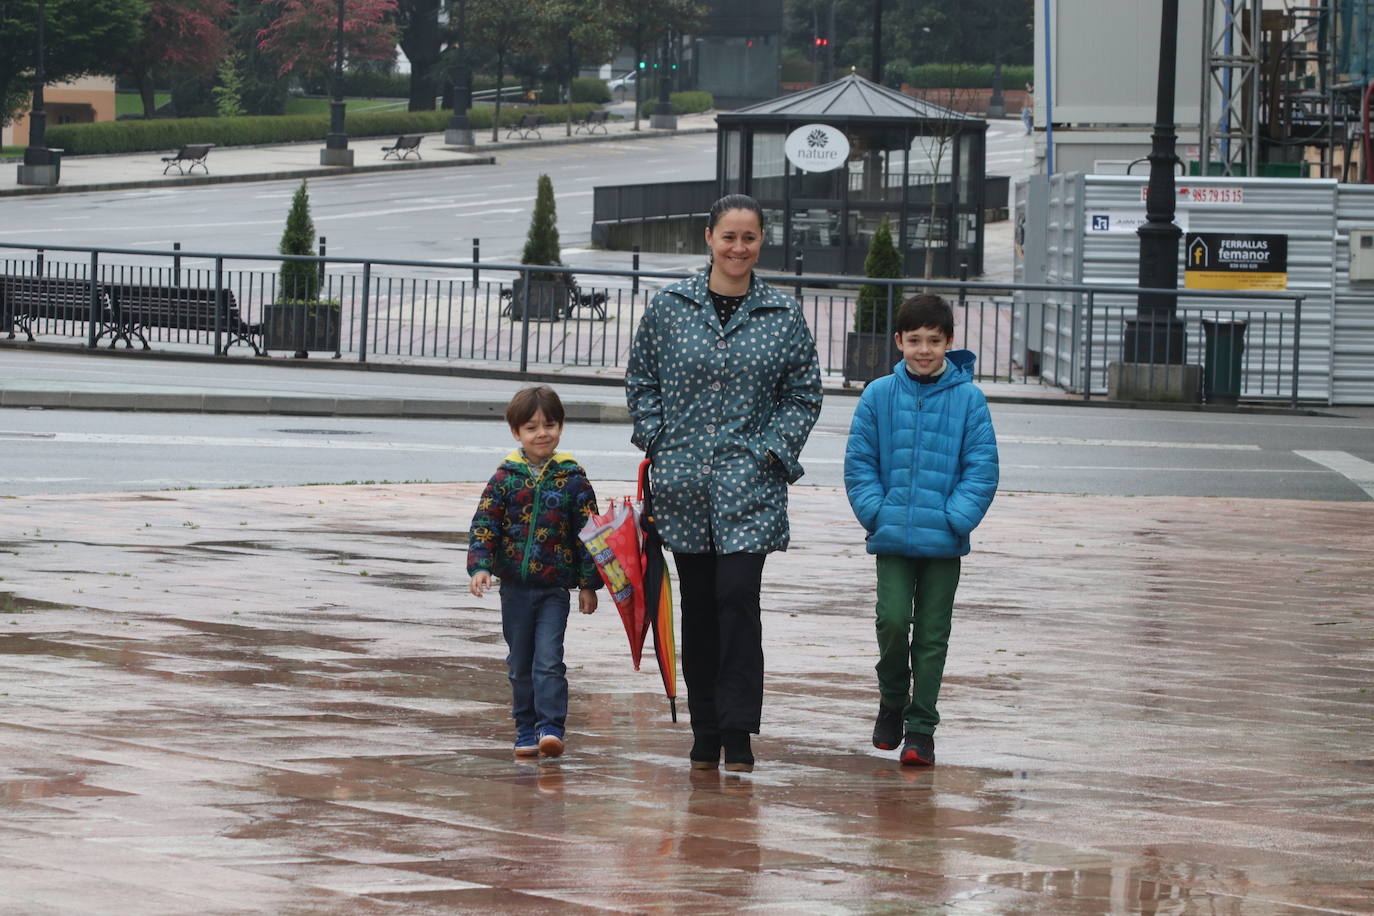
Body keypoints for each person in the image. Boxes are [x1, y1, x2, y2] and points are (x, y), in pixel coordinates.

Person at [626, 194, 823, 773]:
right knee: (697, 607)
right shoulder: (670, 306)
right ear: (708, 237)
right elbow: (642, 380)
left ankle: (738, 728)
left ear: (762, 242)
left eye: (750, 238)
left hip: (750, 488)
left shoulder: (782, 315)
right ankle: (704, 726)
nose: (739, 248)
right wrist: (660, 439)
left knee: (737, 599)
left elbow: (804, 393)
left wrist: (772, 450)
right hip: (683, 486)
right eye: (729, 236)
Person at [843, 294, 999, 767]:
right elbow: (859, 463)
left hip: (943, 541)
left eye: (934, 340)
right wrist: (877, 512)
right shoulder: (878, 395)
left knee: (932, 634)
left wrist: (957, 518)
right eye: (915, 340)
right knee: (892, 621)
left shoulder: (969, 400)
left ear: (949, 342)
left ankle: (921, 728)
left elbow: (982, 468)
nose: (924, 350)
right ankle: (892, 699)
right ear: (899, 342)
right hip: (891, 536)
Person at [467, 385, 601, 759]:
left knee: (548, 660)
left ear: (561, 427)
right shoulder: (505, 478)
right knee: (519, 663)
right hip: (514, 589)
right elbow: (485, 525)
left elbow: (589, 533)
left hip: (554, 590)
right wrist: (480, 566)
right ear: (516, 433)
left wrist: (589, 584)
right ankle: (525, 730)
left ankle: (551, 728)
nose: (542, 433)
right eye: (531, 427)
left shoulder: (573, 477)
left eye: (550, 425)